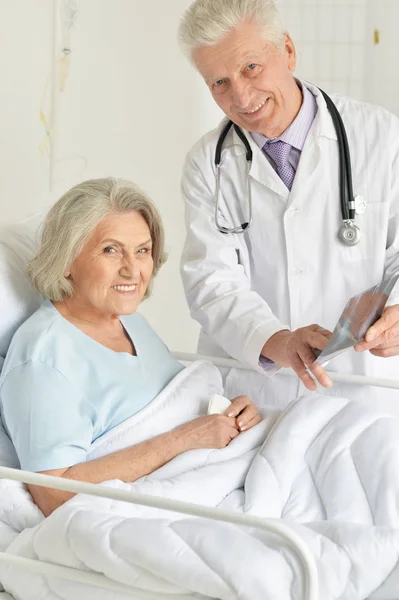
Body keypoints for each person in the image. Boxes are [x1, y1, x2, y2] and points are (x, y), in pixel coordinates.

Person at [178, 0, 399, 411]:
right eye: (219, 83)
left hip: (364, 388)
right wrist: (275, 341)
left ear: (288, 51)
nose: (242, 97)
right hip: (258, 396)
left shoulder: (381, 136)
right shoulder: (207, 163)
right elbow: (211, 281)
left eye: (250, 68)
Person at [0, 178, 261, 517]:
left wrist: (232, 416)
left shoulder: (127, 320)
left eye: (143, 250)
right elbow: (54, 494)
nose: (132, 269)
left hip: (228, 466)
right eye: (111, 250)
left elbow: (178, 404)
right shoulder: (44, 359)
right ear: (66, 260)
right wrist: (185, 440)